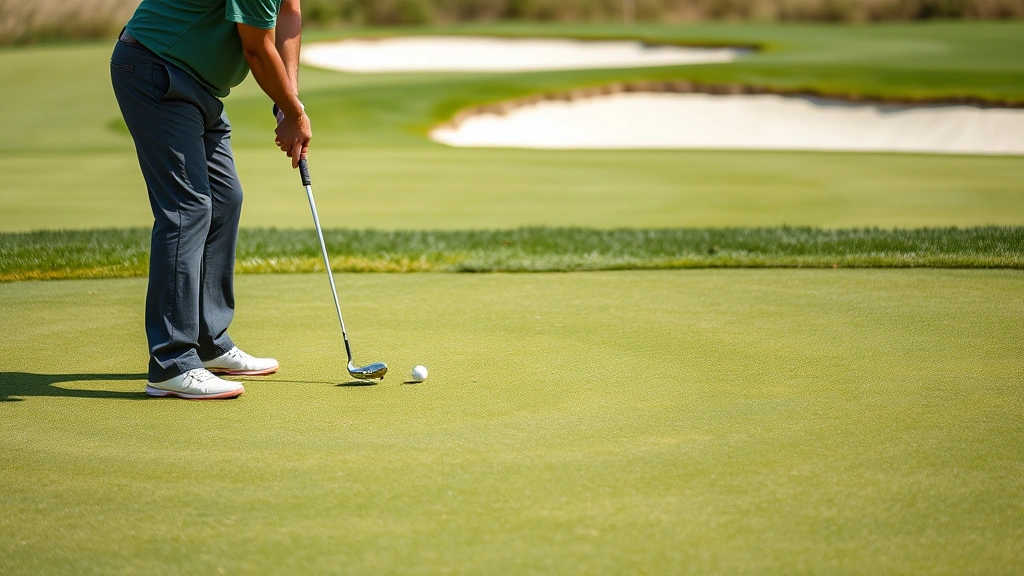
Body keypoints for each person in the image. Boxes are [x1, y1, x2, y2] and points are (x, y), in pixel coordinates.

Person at [111, 0, 311, 399]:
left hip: (197, 84)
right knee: (187, 208)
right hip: (156, 68)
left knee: (225, 198)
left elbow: (289, 13)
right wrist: (294, 114)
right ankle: (172, 362)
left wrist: (289, 102)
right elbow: (255, 47)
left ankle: (208, 341)